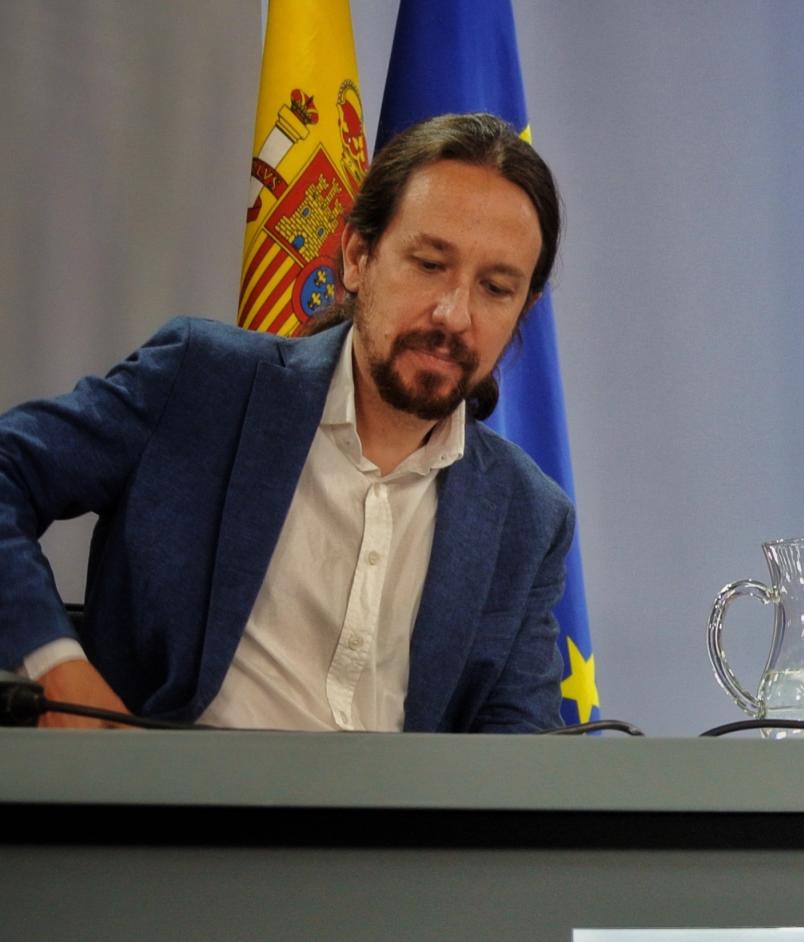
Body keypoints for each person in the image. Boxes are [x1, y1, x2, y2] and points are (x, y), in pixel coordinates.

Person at [0, 113, 573, 732]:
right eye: (430, 264)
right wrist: (53, 664)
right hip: (166, 814)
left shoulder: (526, 515)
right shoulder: (202, 383)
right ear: (357, 256)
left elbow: (519, 751)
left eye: (495, 288)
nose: (454, 314)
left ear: (523, 311)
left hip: (394, 829)